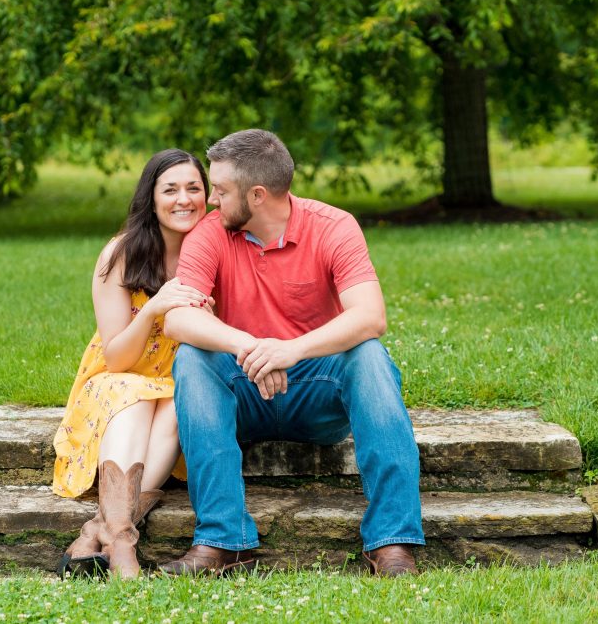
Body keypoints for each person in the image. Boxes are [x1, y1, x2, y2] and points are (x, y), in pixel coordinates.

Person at [158, 129, 425, 577]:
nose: (211, 201)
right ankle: (223, 542)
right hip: (244, 389)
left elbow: (370, 316)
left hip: (316, 396)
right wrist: (250, 346)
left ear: (257, 195)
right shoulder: (211, 233)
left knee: (370, 356)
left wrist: (290, 351)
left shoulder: (334, 226)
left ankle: (392, 541)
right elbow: (178, 319)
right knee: (191, 358)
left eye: (220, 191)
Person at [52, 148, 212, 579]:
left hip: (175, 385)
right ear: (151, 198)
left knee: (183, 401)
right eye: (171, 189)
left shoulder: (215, 250)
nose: (184, 199)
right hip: (116, 381)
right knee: (135, 391)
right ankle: (122, 543)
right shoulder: (120, 253)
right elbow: (118, 357)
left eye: (193, 188)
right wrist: (155, 307)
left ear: (207, 193)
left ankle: (104, 532)